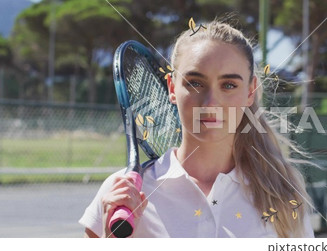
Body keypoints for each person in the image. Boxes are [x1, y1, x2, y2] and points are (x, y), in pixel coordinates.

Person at [79, 20, 314, 238]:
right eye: (195, 83)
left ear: (250, 92)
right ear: (172, 87)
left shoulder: (286, 197)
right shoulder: (121, 192)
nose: (211, 102)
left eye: (229, 85)